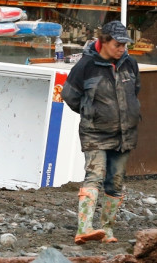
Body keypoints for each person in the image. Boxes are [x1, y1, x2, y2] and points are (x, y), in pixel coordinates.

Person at [61, 20, 141, 245]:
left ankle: (106, 231)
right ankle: (84, 229)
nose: (122, 48)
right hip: (94, 133)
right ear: (103, 41)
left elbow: (135, 90)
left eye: (125, 44)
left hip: (124, 133)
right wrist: (91, 112)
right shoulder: (85, 65)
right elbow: (70, 95)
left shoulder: (130, 64)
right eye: (118, 44)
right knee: (94, 176)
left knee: (115, 181)